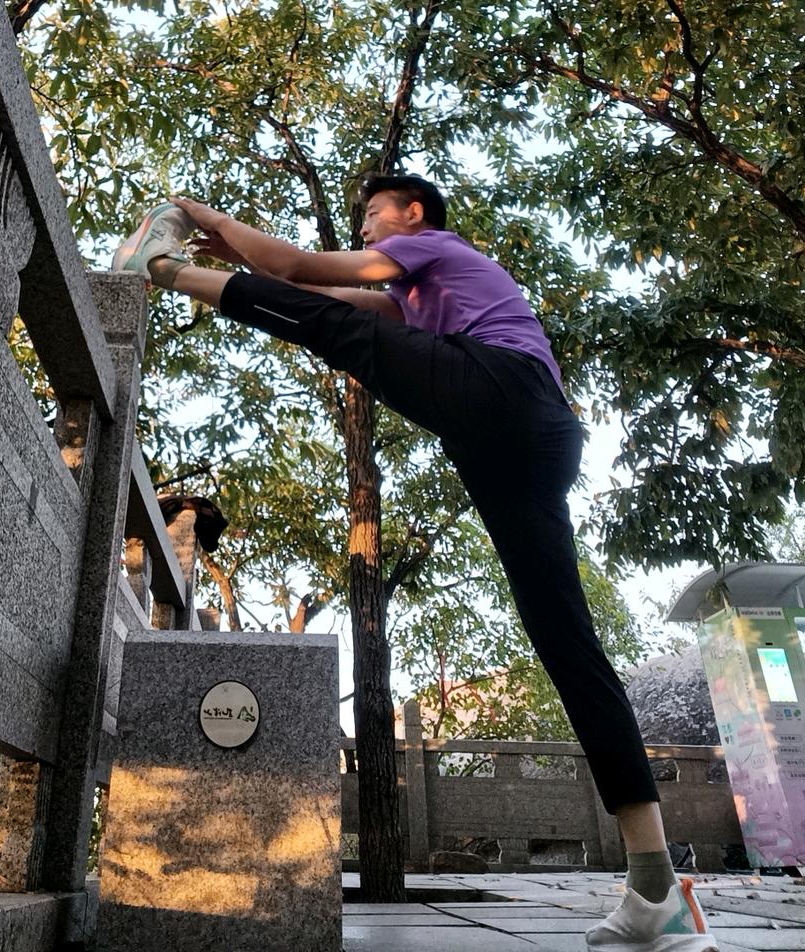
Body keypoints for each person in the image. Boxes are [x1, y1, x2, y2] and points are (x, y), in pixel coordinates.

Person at [112, 176, 718, 952]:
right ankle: (655, 888)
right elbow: (304, 288)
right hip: (519, 442)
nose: (368, 232)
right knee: (567, 646)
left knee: (339, 330)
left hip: (504, 394)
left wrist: (200, 224)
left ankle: (163, 272)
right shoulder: (410, 298)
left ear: (413, 217)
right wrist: (240, 254)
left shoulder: (433, 248)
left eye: (373, 217)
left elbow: (300, 272)